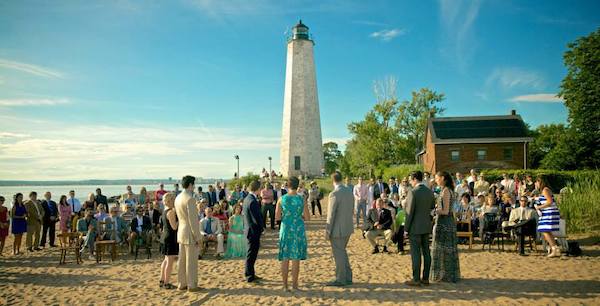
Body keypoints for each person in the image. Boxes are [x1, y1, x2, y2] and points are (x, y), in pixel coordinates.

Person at [275, 176, 309, 291]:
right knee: (295, 259)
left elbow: (277, 217)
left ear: (288, 185)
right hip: (298, 229)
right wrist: (299, 216)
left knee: (285, 258)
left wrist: (287, 216)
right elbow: (308, 217)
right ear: (297, 185)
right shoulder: (301, 199)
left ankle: (285, 286)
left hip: (286, 228)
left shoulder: (282, 199)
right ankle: (295, 285)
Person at [404, 171, 436, 287]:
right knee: (426, 252)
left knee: (416, 253)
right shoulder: (429, 192)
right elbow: (432, 209)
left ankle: (416, 279)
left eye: (410, 180)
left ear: (414, 179)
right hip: (426, 226)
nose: (410, 182)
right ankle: (426, 278)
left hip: (415, 228)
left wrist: (406, 228)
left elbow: (409, 212)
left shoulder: (413, 192)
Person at [431, 171, 461, 283]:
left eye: (437, 178)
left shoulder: (446, 191)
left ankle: (446, 275)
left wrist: (433, 211)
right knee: (445, 249)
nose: (435, 180)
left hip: (445, 223)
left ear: (443, 178)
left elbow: (445, 211)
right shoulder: (445, 190)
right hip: (445, 222)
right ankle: (445, 274)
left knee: (445, 249)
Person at [325, 171, 354, 287]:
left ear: (333, 181)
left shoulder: (334, 194)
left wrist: (327, 230)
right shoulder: (349, 191)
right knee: (343, 252)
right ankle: (348, 277)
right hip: (347, 226)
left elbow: (331, 215)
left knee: (339, 255)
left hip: (338, 229)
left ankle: (341, 279)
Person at [174, 175, 201, 292]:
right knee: (191, 261)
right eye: (193, 184)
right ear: (190, 185)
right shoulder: (190, 199)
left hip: (181, 231)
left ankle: (182, 283)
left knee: (182, 260)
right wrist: (198, 236)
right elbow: (193, 221)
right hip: (189, 232)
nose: (194, 186)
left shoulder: (178, 197)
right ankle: (192, 284)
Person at [534, 176, 561, 258]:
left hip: (550, 212)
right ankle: (554, 248)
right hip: (547, 212)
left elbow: (549, 201)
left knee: (544, 230)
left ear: (540, 182)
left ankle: (554, 248)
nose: (536, 184)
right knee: (546, 230)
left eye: (537, 182)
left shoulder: (545, 190)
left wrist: (539, 207)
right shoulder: (544, 190)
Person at [243, 180, 264, 283]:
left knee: (252, 254)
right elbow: (256, 218)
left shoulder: (248, 198)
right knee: (251, 254)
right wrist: (262, 228)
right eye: (260, 188)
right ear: (257, 189)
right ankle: (249, 275)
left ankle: (251, 273)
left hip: (250, 230)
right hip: (253, 231)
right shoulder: (251, 200)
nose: (261, 190)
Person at [159, 192, 178, 290]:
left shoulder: (164, 210)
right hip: (170, 238)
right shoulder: (170, 212)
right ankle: (166, 282)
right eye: (173, 199)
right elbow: (174, 227)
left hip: (164, 237)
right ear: (170, 201)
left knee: (166, 260)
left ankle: (162, 280)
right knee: (169, 262)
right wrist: (181, 221)